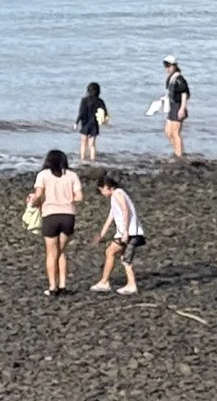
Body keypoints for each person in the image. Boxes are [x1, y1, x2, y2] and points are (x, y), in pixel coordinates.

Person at [28, 148, 84, 295]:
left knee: (51, 253)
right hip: (68, 215)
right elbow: (79, 197)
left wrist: (33, 202)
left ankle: (53, 286)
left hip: (50, 215)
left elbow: (38, 195)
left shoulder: (43, 175)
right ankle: (63, 285)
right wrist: (68, 199)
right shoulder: (72, 175)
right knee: (62, 251)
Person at [93, 172, 145, 295]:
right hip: (127, 232)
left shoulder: (117, 193)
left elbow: (125, 210)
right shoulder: (116, 196)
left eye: (101, 190)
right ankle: (130, 284)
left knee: (111, 252)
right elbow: (111, 216)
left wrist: (125, 232)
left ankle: (105, 282)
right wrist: (102, 234)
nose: (102, 193)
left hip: (129, 232)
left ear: (106, 186)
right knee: (124, 258)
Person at [162, 57, 190, 160]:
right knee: (168, 131)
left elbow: (184, 94)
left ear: (175, 66)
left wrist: (182, 108)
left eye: (169, 66)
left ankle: (179, 155)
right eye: (166, 66)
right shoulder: (171, 78)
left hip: (178, 106)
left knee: (175, 132)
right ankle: (176, 151)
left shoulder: (179, 79)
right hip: (172, 105)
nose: (167, 69)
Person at [76, 83, 109, 164]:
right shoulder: (100, 101)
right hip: (94, 125)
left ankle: (82, 160)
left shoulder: (84, 100)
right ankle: (93, 161)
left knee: (83, 143)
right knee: (92, 144)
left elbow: (81, 113)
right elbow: (105, 113)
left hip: (85, 124)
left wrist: (76, 122)